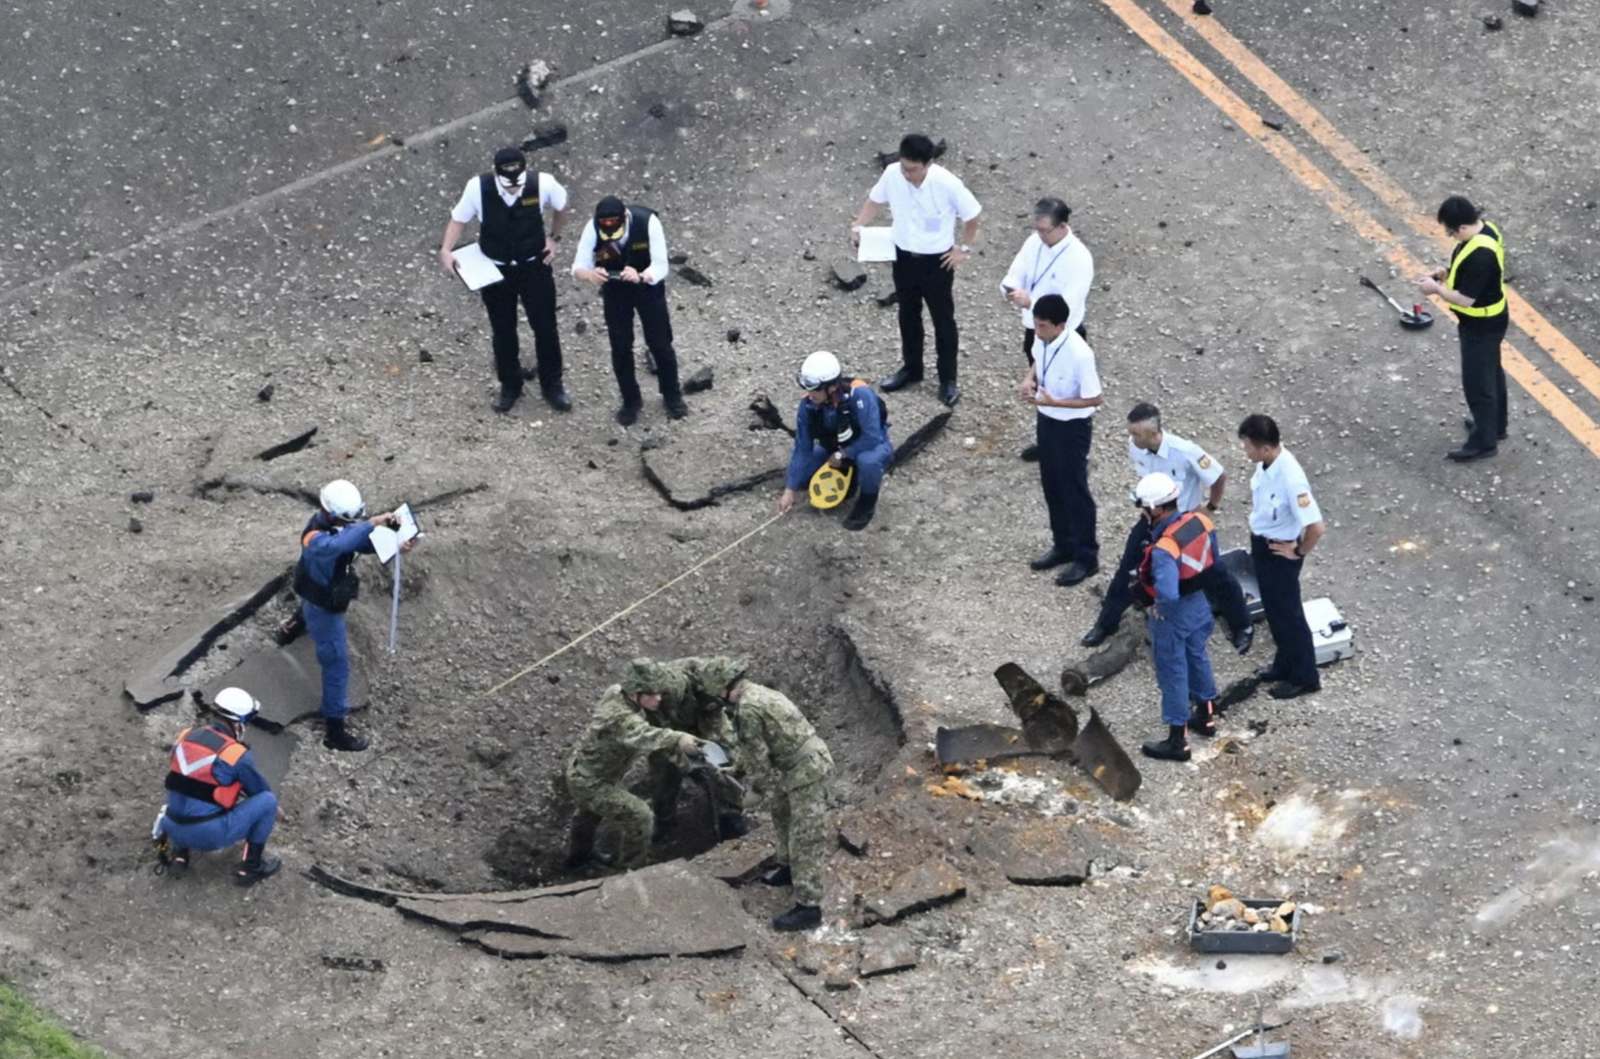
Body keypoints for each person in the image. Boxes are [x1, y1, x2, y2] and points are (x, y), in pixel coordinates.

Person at [1081, 403, 1254, 653]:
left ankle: (1242, 626)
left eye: (1136, 434)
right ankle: (1106, 623)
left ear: (1153, 433)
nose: (1131, 439)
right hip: (1152, 519)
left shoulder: (1184, 451)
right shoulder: (1137, 449)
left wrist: (1210, 508)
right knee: (1129, 569)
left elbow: (1218, 476)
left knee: (1212, 573)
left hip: (1185, 524)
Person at [699, 660, 834, 933]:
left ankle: (809, 907)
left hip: (807, 769)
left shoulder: (747, 710)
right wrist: (736, 769)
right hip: (793, 766)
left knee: (805, 835)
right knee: (781, 812)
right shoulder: (758, 693)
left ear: (723, 689)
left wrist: (755, 791)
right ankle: (786, 868)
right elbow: (759, 747)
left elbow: (759, 758)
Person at [850, 133, 982, 407]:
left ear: (928, 163)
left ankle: (948, 380)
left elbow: (972, 215)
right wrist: (858, 226)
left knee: (942, 320)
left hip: (936, 261)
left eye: (913, 169)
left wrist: (963, 249)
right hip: (903, 256)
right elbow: (875, 200)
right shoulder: (892, 174)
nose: (907, 174)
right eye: (904, 167)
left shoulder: (946, 183)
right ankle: (912, 368)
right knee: (908, 313)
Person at [439, 145, 572, 414]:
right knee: (503, 330)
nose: (513, 190)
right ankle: (510, 385)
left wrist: (554, 238)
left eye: (517, 185)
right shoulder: (477, 188)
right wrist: (445, 249)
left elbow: (562, 206)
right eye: (507, 185)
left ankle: (552, 384)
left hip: (534, 265)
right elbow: (458, 220)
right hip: (495, 269)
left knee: (545, 327)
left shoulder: (543, 183)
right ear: (495, 173)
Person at [294, 479, 412, 752]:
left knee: (307, 609)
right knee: (337, 666)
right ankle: (335, 730)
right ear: (333, 513)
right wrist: (371, 524)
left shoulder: (329, 526)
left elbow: (356, 542)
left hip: (315, 590)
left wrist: (395, 543)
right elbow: (341, 544)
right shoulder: (316, 541)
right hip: (323, 606)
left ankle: (294, 624)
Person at [565, 659, 705, 872]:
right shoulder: (618, 716)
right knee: (640, 816)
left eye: (659, 692)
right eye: (651, 693)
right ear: (635, 692)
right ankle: (631, 872)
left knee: (588, 815)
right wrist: (679, 739)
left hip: (594, 773)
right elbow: (642, 734)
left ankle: (578, 859)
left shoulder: (619, 693)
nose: (658, 698)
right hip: (590, 781)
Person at [571, 196, 688, 426]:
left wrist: (641, 275)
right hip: (615, 291)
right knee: (620, 345)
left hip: (647, 287)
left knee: (660, 342)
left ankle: (672, 395)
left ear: (625, 218)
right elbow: (577, 267)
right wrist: (591, 275)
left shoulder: (648, 222)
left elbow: (661, 265)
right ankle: (630, 400)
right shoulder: (592, 228)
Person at [1131, 474, 1222, 763]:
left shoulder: (1164, 548)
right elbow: (1214, 561)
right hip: (1199, 606)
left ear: (1156, 510)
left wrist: (1158, 606)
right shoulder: (1201, 522)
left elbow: (1167, 591)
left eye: (1144, 509)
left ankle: (1177, 740)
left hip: (1173, 615)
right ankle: (1206, 717)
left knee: (1173, 672)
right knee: (1198, 656)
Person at [153, 687, 283, 885]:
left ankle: (180, 854)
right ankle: (250, 869)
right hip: (208, 835)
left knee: (184, 788)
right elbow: (260, 792)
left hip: (170, 826)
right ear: (238, 723)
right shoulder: (235, 755)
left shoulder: (185, 738)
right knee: (268, 802)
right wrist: (276, 810)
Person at [1414, 195, 1509, 461]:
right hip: (1493, 319)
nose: (1451, 236)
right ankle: (1496, 426)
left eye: (1451, 231)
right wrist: (1444, 273)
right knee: (1492, 373)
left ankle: (1484, 442)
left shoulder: (1480, 255)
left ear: (1463, 227)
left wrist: (1436, 289)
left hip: (1480, 324)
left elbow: (1466, 299)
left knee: (1478, 384)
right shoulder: (1486, 231)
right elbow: (1467, 272)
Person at [1239, 414, 1326, 700]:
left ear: (1265, 448)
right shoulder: (1267, 464)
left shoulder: (1291, 479)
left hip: (1280, 552)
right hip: (1264, 546)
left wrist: (1297, 551)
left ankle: (1305, 676)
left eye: (1248, 446)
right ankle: (1284, 664)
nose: (1245, 451)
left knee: (1289, 615)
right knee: (1275, 612)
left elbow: (1316, 527)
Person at [1000, 198, 1094, 461]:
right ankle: (1047, 443)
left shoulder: (1079, 258)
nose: (1040, 235)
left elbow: (1069, 308)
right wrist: (1010, 289)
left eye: (1045, 230)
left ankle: (1076, 452)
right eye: (1037, 229)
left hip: (1064, 334)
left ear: (1063, 226)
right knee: (1042, 387)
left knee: (1070, 395)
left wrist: (1030, 303)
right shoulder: (1034, 242)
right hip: (1036, 330)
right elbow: (1015, 272)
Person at [1022, 294, 1102, 586]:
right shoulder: (1041, 339)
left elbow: (1095, 398)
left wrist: (1058, 402)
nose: (1037, 330)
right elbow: (1036, 359)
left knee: (1075, 490)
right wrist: (1029, 378)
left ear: (1060, 325)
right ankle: (1063, 544)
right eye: (1036, 324)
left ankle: (1086, 556)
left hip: (1072, 427)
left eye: (1042, 326)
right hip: (1046, 419)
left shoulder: (1080, 354)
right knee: (1051, 484)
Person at [778, 351, 893, 532]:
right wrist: (790, 489)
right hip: (832, 448)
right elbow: (803, 447)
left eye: (815, 389)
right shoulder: (807, 406)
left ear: (831, 387)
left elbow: (872, 437)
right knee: (802, 475)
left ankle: (867, 501)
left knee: (868, 461)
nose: (810, 394)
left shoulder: (861, 395)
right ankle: (849, 474)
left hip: (869, 446)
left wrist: (843, 454)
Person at [642, 656, 751, 842]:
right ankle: (663, 819)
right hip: (667, 728)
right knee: (663, 768)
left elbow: (713, 724)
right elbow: (652, 734)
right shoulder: (649, 692)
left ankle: (730, 814)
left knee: (726, 756)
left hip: (702, 718)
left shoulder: (708, 682)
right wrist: (678, 753)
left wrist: (707, 750)